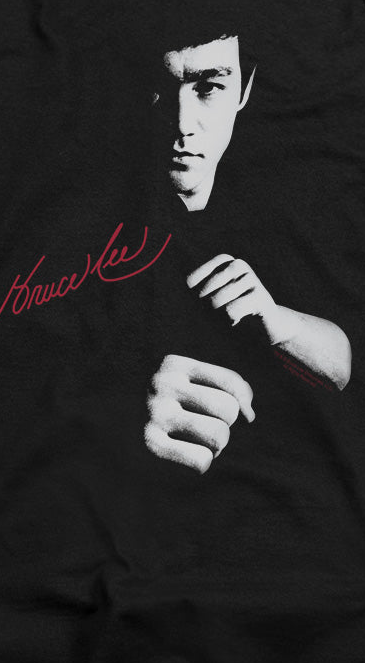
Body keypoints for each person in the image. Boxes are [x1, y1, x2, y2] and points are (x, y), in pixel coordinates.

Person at [139, 30, 352, 473]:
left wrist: (276, 319)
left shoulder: (280, 206)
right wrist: (120, 414)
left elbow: (343, 362)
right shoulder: (81, 219)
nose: (182, 124)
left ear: (245, 88)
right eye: (157, 89)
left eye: (208, 87)